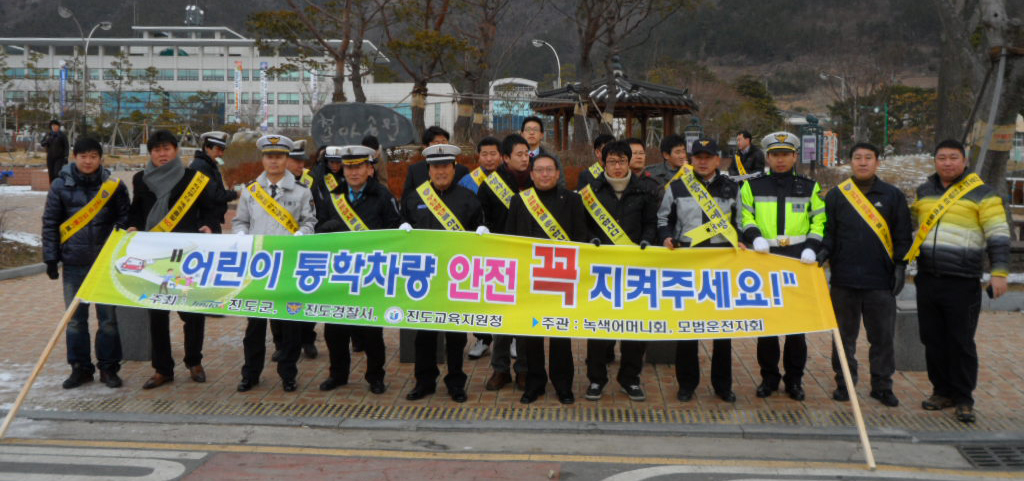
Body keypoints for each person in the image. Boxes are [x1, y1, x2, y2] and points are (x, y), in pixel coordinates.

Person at [909, 139, 1010, 423]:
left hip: (963, 281)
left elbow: (998, 235)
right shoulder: (925, 191)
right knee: (931, 339)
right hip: (928, 278)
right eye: (942, 158)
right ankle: (941, 391)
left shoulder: (983, 194)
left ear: (965, 161)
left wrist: (999, 272)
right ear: (935, 161)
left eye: (954, 158)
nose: (948, 163)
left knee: (961, 341)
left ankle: (964, 398)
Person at [820, 142, 912, 408]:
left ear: (877, 162)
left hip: (880, 281)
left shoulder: (893, 195)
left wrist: (900, 266)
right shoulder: (837, 195)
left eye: (868, 158)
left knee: (882, 337)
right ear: (850, 162)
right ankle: (845, 383)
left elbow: (902, 235)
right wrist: (823, 253)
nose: (862, 162)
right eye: (857, 158)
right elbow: (829, 233)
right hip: (843, 280)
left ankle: (882, 386)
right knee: (843, 337)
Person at [127, 130, 220, 390]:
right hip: (154, 257)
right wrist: (132, 225)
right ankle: (162, 369)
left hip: (187, 257)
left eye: (166, 148)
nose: (162, 153)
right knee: (157, 314)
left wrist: (208, 226)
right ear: (151, 154)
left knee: (192, 312)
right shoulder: (141, 179)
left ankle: (194, 361)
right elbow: (136, 211)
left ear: (176, 150)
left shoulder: (194, 179)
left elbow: (211, 209)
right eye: (156, 150)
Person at [739, 131, 825, 401]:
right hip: (765, 258)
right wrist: (755, 238)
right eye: (775, 155)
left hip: (799, 260)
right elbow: (744, 217)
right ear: (768, 157)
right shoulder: (752, 186)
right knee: (768, 327)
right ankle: (769, 378)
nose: (780, 160)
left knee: (797, 329)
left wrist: (813, 246)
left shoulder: (810, 187)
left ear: (795, 157)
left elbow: (820, 222)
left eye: (786, 154)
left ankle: (795, 380)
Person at [41, 137, 130, 389]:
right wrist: (50, 257)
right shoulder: (60, 185)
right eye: (83, 156)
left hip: (105, 264)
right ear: (74, 157)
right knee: (75, 319)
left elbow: (125, 216)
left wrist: (117, 233)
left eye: (93, 156)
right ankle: (80, 368)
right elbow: (50, 223)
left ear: (100, 158)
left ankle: (109, 368)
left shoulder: (113, 186)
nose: (88, 161)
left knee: (109, 319)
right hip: (74, 263)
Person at [400, 143, 486, 403]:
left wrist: (482, 231)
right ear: (429, 169)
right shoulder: (414, 198)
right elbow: (402, 228)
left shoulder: (468, 198)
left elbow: (479, 230)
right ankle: (424, 381)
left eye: (445, 166)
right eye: (435, 167)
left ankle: (456, 382)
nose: (440, 171)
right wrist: (400, 229)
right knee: (423, 335)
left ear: (454, 167)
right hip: (423, 278)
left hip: (455, 279)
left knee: (456, 336)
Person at [232, 134, 316, 393]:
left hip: (289, 266)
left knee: (290, 326)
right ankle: (251, 373)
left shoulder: (302, 192)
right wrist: (241, 236)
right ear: (263, 159)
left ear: (287, 159)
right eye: (269, 156)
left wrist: (302, 234)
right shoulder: (250, 190)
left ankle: (288, 374)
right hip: (258, 266)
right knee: (254, 326)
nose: (274, 161)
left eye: (279, 156)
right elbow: (240, 221)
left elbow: (309, 221)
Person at [658, 138, 739, 403]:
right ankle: (687, 384)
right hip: (687, 263)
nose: (703, 161)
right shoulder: (678, 187)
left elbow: (741, 222)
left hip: (720, 265)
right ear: (691, 159)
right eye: (698, 156)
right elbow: (664, 219)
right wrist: (667, 236)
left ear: (718, 160)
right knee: (688, 329)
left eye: (709, 156)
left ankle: (722, 385)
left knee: (722, 331)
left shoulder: (732, 187)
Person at [314, 145, 400, 395]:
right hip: (339, 272)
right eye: (349, 167)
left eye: (358, 167)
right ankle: (338, 374)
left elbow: (395, 231)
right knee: (335, 331)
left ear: (369, 169)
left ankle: (375, 376)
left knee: (371, 332)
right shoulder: (334, 196)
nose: (353, 172)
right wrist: (329, 226)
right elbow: (318, 226)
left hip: (370, 273)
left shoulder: (383, 196)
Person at [505, 154, 590, 405]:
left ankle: (563, 385)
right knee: (530, 335)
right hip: (529, 278)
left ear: (557, 173)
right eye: (539, 170)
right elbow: (509, 238)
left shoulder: (573, 200)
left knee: (560, 335)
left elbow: (581, 237)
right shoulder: (520, 201)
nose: (544, 174)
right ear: (531, 175)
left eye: (549, 170)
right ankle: (534, 384)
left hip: (561, 278)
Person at [578, 140, 658, 402]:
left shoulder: (644, 191)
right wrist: (591, 240)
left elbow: (651, 223)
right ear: (604, 163)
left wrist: (647, 240)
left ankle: (630, 378)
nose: (616, 166)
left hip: (636, 270)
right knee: (600, 328)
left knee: (635, 327)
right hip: (601, 271)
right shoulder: (591, 191)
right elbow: (583, 225)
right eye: (611, 161)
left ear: (629, 162)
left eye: (622, 161)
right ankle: (596, 379)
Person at [479, 134, 535, 391]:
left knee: (525, 319)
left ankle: (524, 368)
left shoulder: (538, 179)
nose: (526, 158)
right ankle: (500, 369)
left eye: (527, 153)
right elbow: (484, 222)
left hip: (531, 261)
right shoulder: (490, 185)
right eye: (520, 154)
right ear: (505, 158)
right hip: (500, 262)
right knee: (501, 320)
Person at [456, 136, 505, 361]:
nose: (488, 159)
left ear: (501, 155)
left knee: (505, 293)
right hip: (477, 245)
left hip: (504, 243)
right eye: (484, 154)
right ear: (478, 157)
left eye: (493, 154)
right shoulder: (468, 181)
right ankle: (483, 338)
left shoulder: (510, 177)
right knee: (479, 295)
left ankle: (510, 338)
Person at [276, 138, 319, 359]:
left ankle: (307, 339)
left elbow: (319, 213)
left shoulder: (313, 182)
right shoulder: (274, 185)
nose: (301, 165)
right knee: (277, 299)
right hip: (279, 252)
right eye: (296, 161)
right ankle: (280, 344)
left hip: (306, 250)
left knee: (305, 297)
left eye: (303, 161)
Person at [188, 131, 239, 233]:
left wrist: (229, 190)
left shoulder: (209, 165)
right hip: (204, 224)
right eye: (218, 149)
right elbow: (214, 195)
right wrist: (236, 194)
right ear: (207, 147)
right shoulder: (201, 166)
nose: (221, 154)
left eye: (223, 150)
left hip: (211, 221)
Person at [401, 126, 470, 195]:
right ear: (425, 147)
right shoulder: (415, 170)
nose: (441, 145)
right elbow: (407, 198)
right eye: (436, 142)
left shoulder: (462, 170)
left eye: (444, 141)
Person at [520, 116, 566, 186]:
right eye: (528, 130)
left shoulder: (552, 158)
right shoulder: (515, 158)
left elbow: (561, 184)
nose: (531, 133)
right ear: (522, 134)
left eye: (535, 130)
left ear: (542, 135)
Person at [41, 119, 69, 183]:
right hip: (50, 157)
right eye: (52, 126)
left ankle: (58, 185)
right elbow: (42, 143)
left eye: (55, 126)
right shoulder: (48, 135)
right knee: (51, 173)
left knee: (57, 173)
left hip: (60, 157)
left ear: (58, 127)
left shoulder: (62, 135)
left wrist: (66, 156)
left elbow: (66, 146)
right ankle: (52, 187)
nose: (54, 127)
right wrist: (47, 140)